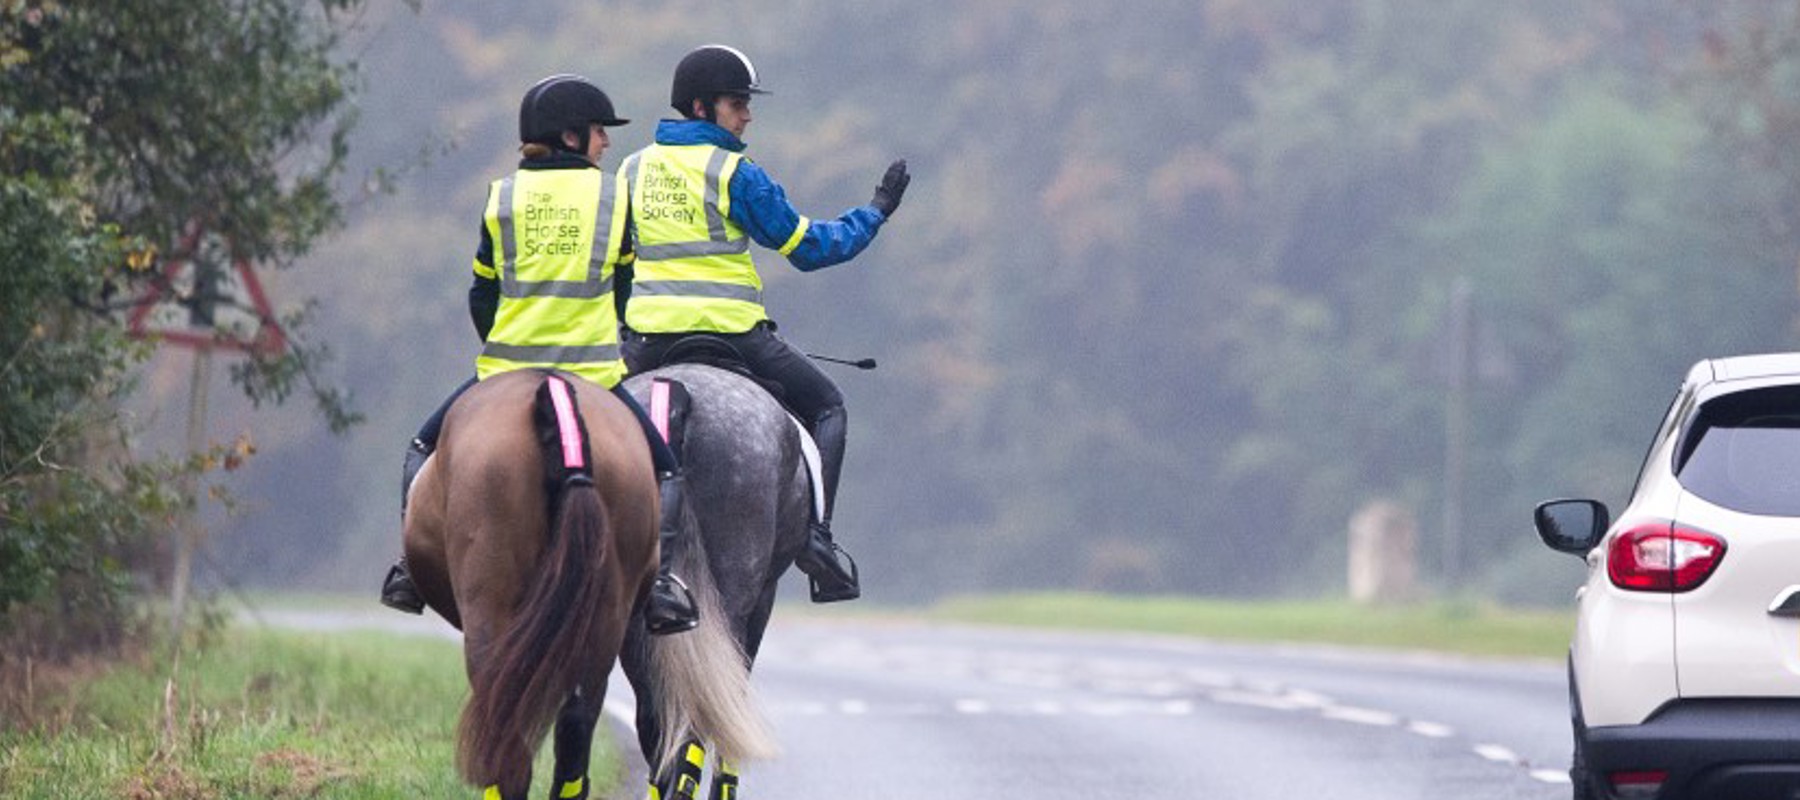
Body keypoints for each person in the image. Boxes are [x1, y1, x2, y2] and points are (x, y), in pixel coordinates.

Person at [380, 73, 700, 636]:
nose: (606, 143)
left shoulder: (501, 197)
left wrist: (503, 342)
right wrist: (608, 334)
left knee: (421, 449)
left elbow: (482, 292)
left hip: (504, 368)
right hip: (595, 374)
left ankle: (410, 570)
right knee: (667, 470)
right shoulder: (613, 197)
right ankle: (664, 587)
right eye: (599, 131)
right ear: (571, 137)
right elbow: (624, 290)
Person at [618, 44, 910, 602]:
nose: (747, 115)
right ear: (702, 107)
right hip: (732, 335)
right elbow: (809, 247)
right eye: (737, 103)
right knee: (829, 407)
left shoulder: (631, 169)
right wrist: (875, 212)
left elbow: (614, 260)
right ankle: (817, 543)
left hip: (648, 346)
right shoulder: (735, 172)